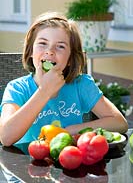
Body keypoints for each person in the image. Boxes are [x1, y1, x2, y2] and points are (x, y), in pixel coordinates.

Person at [0, 11, 128, 148]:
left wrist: (67, 131)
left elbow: (120, 123)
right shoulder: (17, 88)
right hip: (27, 164)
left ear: (69, 59)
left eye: (60, 46)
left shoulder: (81, 84)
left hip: (71, 160)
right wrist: (44, 91)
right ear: (31, 51)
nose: (50, 51)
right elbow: (6, 137)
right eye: (43, 43)